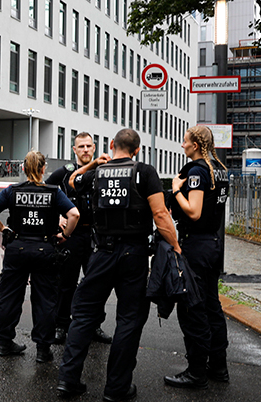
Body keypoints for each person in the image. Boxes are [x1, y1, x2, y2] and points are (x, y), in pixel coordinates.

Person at [56, 129, 181, 401]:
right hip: (133, 255)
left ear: (112, 145)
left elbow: (73, 181)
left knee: (84, 315)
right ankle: (116, 388)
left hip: (100, 252)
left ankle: (68, 381)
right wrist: (176, 245)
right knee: (129, 319)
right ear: (137, 150)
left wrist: (92, 164)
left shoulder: (96, 174)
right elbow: (160, 214)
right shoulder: (145, 172)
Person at [0, 151, 80, 363]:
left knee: (9, 297)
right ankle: (43, 350)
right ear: (43, 169)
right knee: (45, 300)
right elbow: (74, 214)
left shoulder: (13, 191)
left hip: (16, 248)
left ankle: (4, 343)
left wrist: (3, 228)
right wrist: (65, 235)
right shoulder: (53, 192)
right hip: (45, 249)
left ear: (24, 169)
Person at [164, 125, 230, 388]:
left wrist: (176, 189)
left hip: (197, 246)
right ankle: (218, 367)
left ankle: (196, 373)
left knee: (193, 308)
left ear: (195, 145)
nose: (182, 145)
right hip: (213, 245)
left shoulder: (197, 172)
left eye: (185, 141)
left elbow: (193, 211)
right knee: (212, 306)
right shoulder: (219, 170)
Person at [45, 132, 112, 345]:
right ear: (74, 150)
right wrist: (57, 218)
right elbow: (45, 193)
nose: (85, 150)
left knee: (96, 283)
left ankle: (94, 325)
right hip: (72, 236)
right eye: (80, 146)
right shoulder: (65, 173)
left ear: (94, 148)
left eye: (88, 146)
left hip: (95, 235)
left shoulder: (103, 172)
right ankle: (61, 325)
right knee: (66, 283)